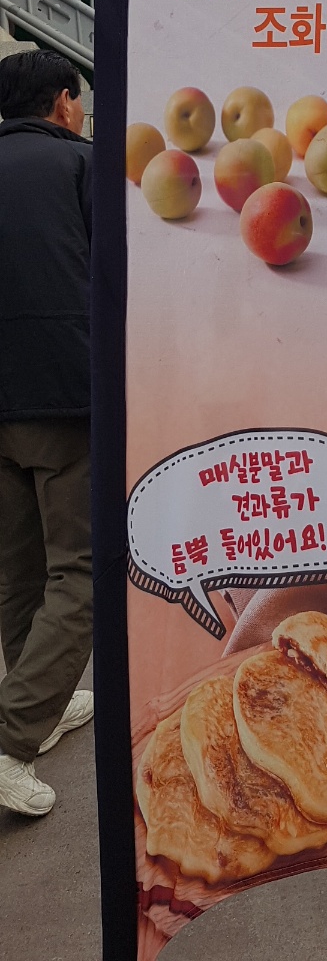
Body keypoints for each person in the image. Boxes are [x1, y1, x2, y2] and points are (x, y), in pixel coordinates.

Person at [0, 50, 94, 816]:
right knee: (80, 572)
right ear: (63, 102)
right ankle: (11, 745)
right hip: (64, 394)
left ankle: (38, 701)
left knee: (19, 567)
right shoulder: (79, 167)